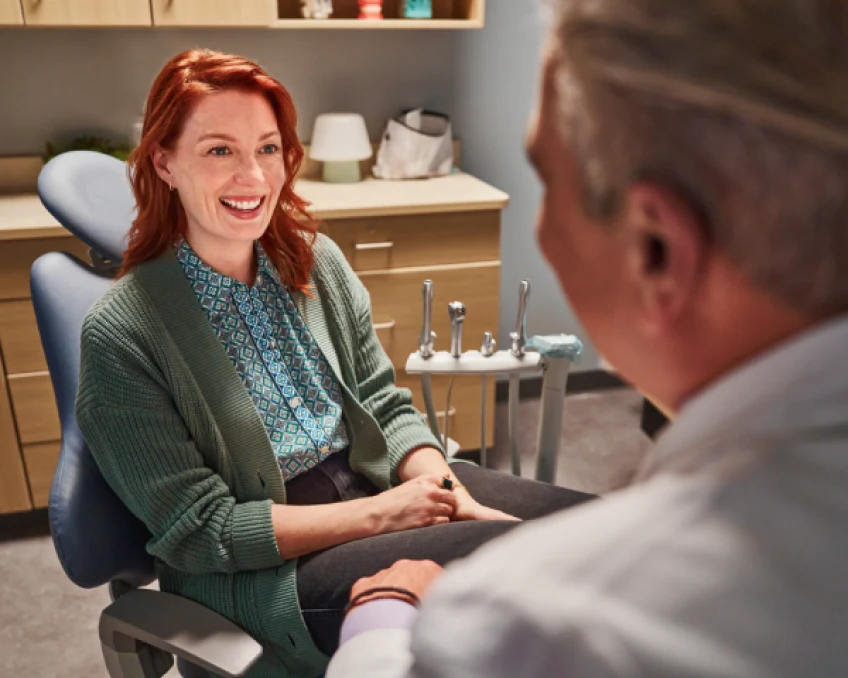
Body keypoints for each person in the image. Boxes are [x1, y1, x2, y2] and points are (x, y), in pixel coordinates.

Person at [327, 1, 848, 676]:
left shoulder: (530, 624)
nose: (538, 229)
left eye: (545, 180)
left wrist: (381, 627)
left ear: (655, 251)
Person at [74, 48, 594, 678]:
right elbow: (200, 530)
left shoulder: (313, 262)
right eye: (219, 151)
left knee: (602, 530)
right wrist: (385, 514)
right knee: (523, 563)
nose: (254, 177)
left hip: (376, 483)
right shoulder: (123, 333)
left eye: (267, 148)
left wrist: (448, 493)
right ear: (164, 161)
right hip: (266, 571)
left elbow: (382, 403)